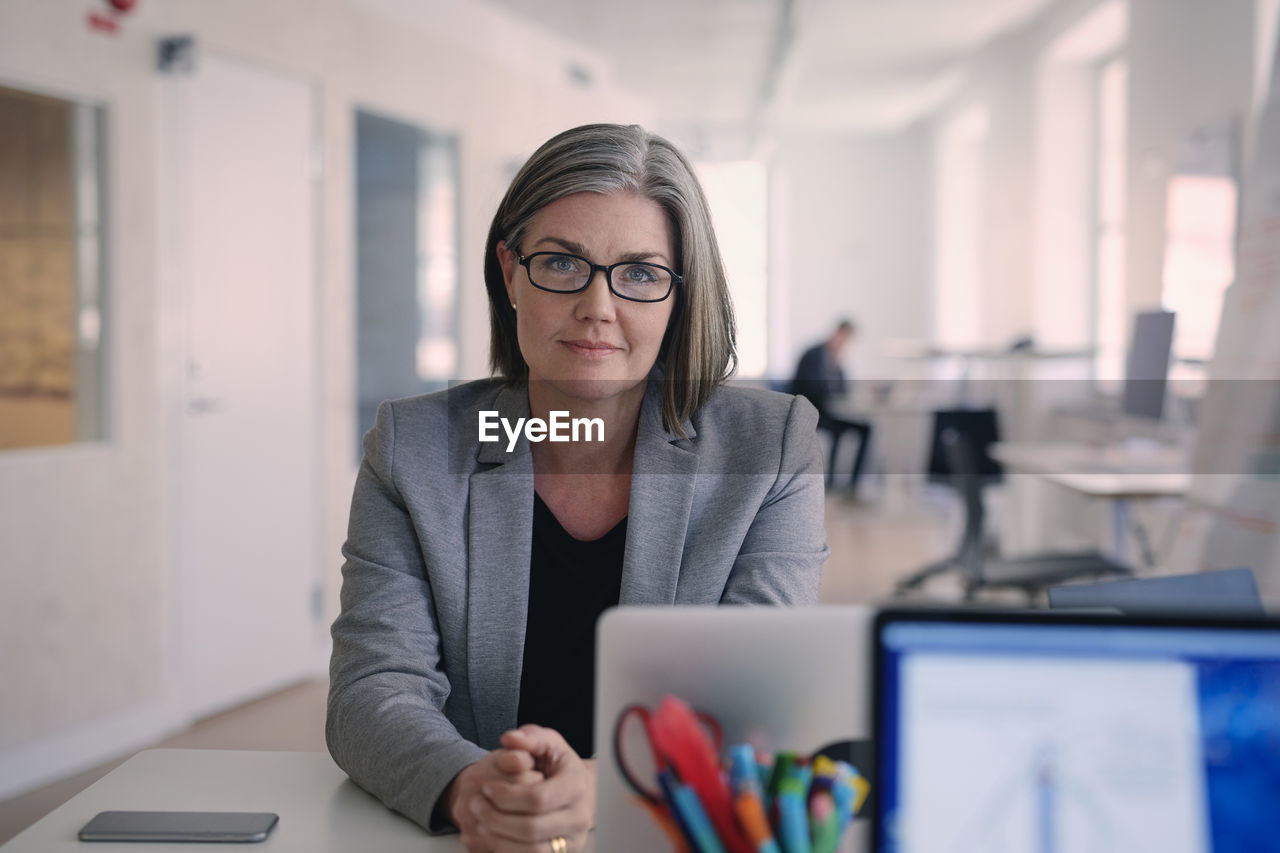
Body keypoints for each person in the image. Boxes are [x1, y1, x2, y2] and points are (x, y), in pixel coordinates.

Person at [326, 123, 828, 853]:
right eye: (562, 262)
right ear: (509, 271)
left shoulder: (768, 447)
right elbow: (371, 691)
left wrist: (602, 785)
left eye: (640, 272)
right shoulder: (416, 450)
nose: (598, 305)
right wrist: (475, 789)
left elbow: (763, 695)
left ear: (678, 295)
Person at [790, 320, 873, 495]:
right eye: (844, 338)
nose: (844, 343)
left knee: (865, 429)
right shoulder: (813, 355)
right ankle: (831, 484)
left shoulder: (836, 361)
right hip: (811, 413)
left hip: (831, 414)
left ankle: (852, 486)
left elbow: (843, 391)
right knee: (838, 430)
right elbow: (808, 391)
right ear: (836, 333)